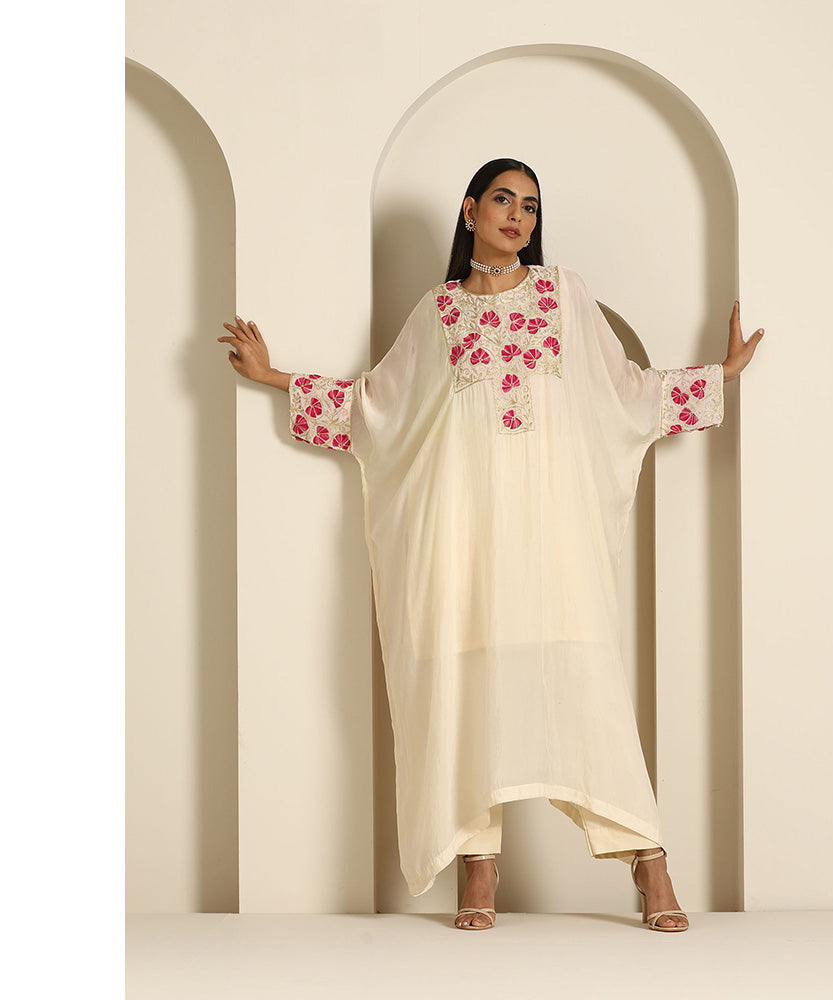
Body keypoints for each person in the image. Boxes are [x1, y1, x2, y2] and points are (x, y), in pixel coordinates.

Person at [218, 158, 764, 932]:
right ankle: (478, 866)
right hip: (467, 543)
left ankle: (649, 861)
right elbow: (378, 406)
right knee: (468, 695)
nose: (518, 216)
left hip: (554, 541)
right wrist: (275, 378)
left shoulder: (563, 295)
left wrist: (720, 376)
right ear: (471, 210)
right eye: (504, 200)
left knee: (586, 687)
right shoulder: (438, 312)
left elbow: (625, 389)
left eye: (531, 206)